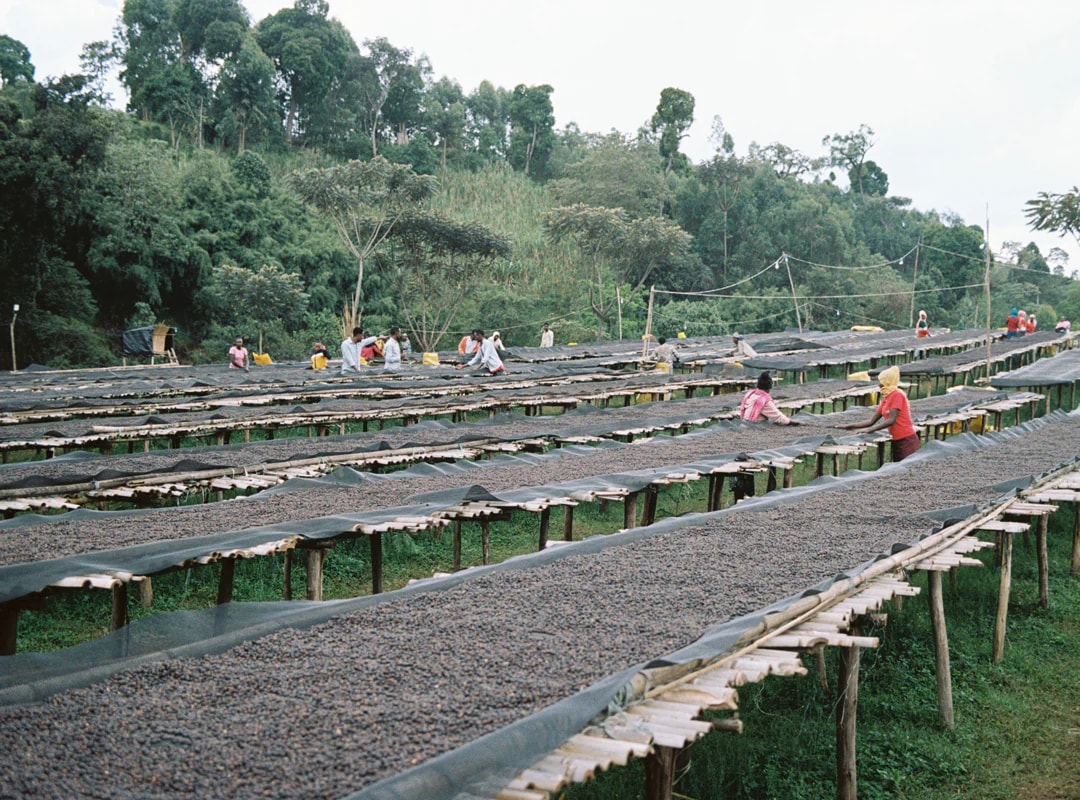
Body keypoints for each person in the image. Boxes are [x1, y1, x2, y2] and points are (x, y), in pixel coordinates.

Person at [838, 365, 920, 462]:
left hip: (907, 440)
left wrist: (870, 430)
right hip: (897, 439)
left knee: (906, 468)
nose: (879, 385)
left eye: (881, 382)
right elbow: (871, 421)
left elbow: (891, 420)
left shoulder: (897, 395)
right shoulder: (886, 398)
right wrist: (849, 426)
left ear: (887, 382)